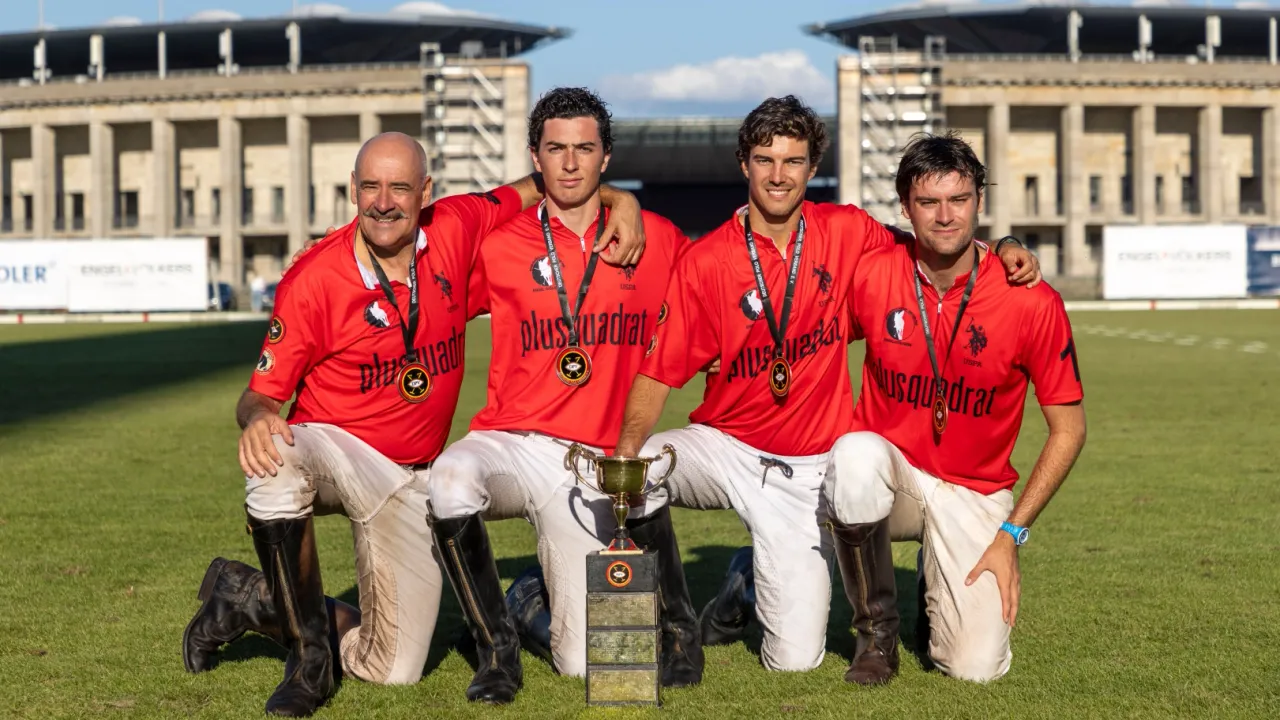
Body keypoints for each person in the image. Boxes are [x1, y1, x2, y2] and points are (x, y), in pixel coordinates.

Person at [179, 131, 645, 717]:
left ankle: (247, 597)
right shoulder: (314, 277)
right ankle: (309, 662)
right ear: (353, 189)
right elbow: (258, 396)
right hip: (338, 450)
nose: (383, 202)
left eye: (399, 187)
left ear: (426, 192)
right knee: (275, 462)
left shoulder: (458, 223)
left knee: (393, 669)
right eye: (370, 187)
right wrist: (258, 419)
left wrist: (621, 199)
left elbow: (549, 182)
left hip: (412, 478)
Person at [609, 96, 1042, 674]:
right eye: (765, 160)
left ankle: (744, 579)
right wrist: (626, 450)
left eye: (793, 161)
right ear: (744, 164)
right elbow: (658, 371)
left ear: (812, 168)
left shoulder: (848, 230)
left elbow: (936, 237)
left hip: (813, 470)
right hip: (727, 446)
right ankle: (677, 632)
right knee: (640, 470)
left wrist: (1006, 245)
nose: (778, 175)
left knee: (793, 661)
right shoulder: (706, 260)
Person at [424, 87, 701, 705]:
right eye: (556, 149)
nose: (571, 163)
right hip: (512, 441)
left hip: (592, 463)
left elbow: (717, 294)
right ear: (535, 157)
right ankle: (495, 653)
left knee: (583, 664)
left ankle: (526, 597)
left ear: (607, 157)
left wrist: (626, 202)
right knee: (449, 478)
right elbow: (423, 287)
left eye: (585, 149)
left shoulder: (655, 238)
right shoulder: (498, 243)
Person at [820, 131, 1086, 684]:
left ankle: (934, 577)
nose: (945, 216)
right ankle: (876, 636)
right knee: (853, 457)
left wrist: (1012, 535)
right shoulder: (872, 273)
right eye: (928, 202)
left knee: (974, 669)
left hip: (975, 490)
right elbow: (807, 342)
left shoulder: (1030, 299)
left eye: (959, 199)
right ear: (905, 207)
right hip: (895, 478)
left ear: (980, 201)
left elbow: (1069, 430)